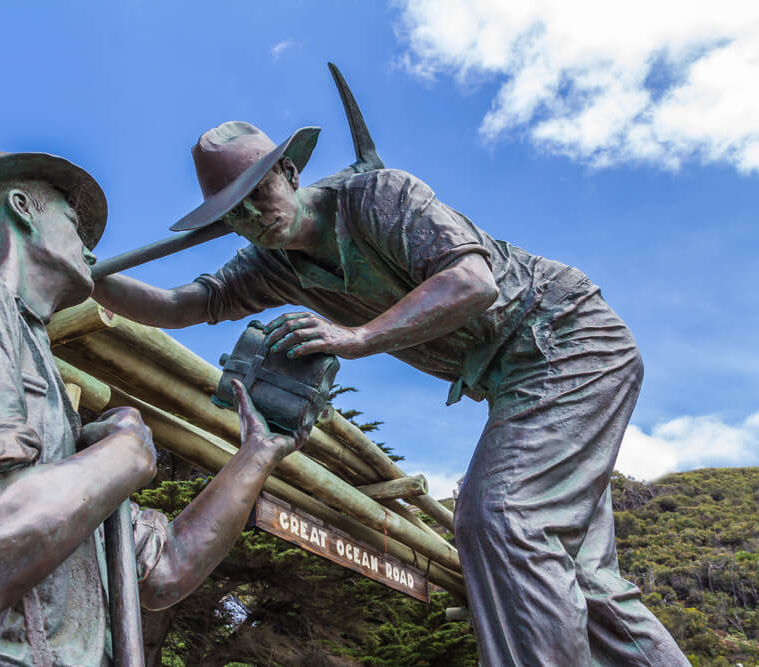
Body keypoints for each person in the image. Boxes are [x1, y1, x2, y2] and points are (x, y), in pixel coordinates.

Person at [91, 122, 690, 666]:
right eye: (234, 210)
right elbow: (182, 305)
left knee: (503, 516)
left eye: (258, 192)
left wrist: (358, 337)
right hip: (513, 379)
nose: (252, 215)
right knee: (583, 580)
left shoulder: (379, 197)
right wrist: (84, 272)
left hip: (566, 340)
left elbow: (472, 282)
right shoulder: (271, 264)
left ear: (290, 173)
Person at [0, 151, 308, 666]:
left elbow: (163, 571)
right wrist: (126, 455)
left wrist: (258, 451)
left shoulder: (43, 398)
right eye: (73, 221)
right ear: (21, 207)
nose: (88, 245)